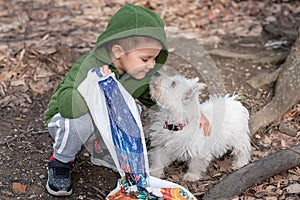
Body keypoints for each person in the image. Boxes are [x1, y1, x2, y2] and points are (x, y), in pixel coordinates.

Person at [44, 4, 210, 196]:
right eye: (145, 59)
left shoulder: (136, 72)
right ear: (118, 52)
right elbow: (68, 108)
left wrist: (193, 114)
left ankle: (103, 151)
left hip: (102, 122)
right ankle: (61, 162)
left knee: (132, 112)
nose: (152, 65)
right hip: (67, 118)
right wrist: (94, 84)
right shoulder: (89, 66)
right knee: (81, 120)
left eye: (154, 58)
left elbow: (156, 99)